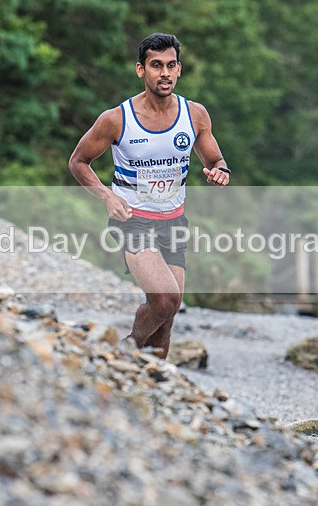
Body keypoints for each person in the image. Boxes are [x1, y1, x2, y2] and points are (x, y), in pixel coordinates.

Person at [68, 32, 230, 359]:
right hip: (133, 221)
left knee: (167, 317)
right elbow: (78, 162)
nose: (165, 73)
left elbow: (215, 160)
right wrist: (106, 196)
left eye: (171, 66)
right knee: (166, 299)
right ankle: (125, 352)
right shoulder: (117, 119)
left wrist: (220, 171)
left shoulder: (195, 115)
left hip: (173, 221)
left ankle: (155, 384)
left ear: (180, 69)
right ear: (141, 70)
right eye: (156, 66)